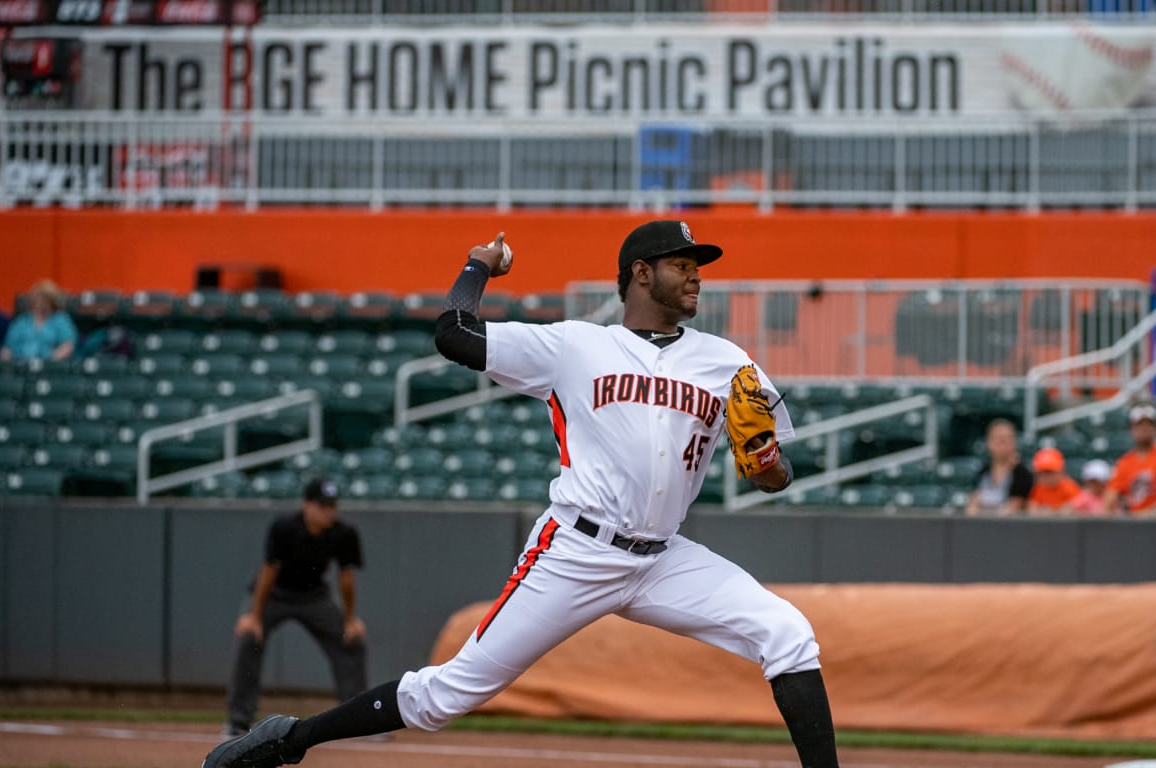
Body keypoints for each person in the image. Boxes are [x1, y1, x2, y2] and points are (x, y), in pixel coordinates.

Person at [203, 220, 840, 768]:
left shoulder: (729, 364)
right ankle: (290, 741)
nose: (697, 276)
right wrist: (477, 266)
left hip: (664, 559)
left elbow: (774, 475)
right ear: (641, 274)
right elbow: (453, 333)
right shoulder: (575, 345)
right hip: (577, 551)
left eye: (698, 265)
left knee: (786, 633)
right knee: (444, 697)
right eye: (684, 265)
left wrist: (764, 461)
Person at [223, 478, 368, 739]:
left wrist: (349, 619)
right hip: (273, 594)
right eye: (323, 506)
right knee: (248, 638)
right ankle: (238, 721)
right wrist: (254, 617)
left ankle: (359, 720)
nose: (329, 512)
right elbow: (268, 571)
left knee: (351, 641)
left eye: (332, 506)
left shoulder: (344, 532)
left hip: (314, 596)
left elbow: (346, 578)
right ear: (307, 505)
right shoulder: (285, 527)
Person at [1104, 403, 1156, 515]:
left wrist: (1145, 514)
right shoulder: (1125, 462)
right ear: (1132, 429)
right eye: (1140, 425)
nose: (1145, 428)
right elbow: (1110, 497)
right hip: (1134, 519)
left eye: (1149, 424)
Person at [965, 419, 1033, 516]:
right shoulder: (982, 472)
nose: (1002, 442)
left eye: (1007, 438)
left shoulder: (1022, 474)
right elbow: (972, 505)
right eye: (998, 438)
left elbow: (1015, 507)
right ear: (989, 442)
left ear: (1014, 442)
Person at [0, 279, 77, 362]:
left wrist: (50, 360)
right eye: (38, 299)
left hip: (50, 368)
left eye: (45, 299)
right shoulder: (21, 322)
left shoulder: (60, 320)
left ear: (52, 301)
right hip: (20, 367)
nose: (41, 303)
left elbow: (68, 346)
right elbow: (7, 348)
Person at [1026, 447, 1083, 515]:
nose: (1047, 477)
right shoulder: (1038, 488)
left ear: (1061, 471)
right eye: (1042, 473)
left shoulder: (1070, 487)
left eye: (1050, 472)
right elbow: (1032, 509)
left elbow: (1078, 508)